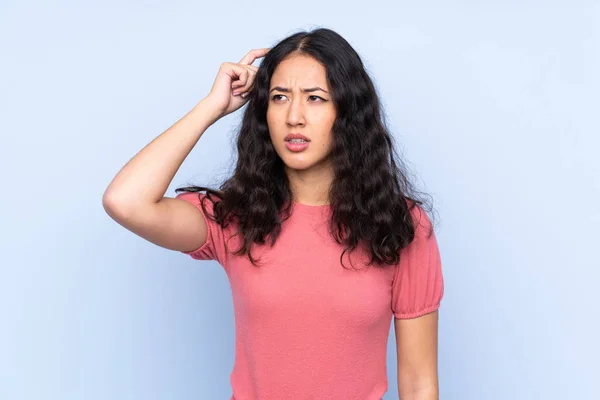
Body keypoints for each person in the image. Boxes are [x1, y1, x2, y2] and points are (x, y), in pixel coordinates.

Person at [103, 28, 444, 400]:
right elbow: (125, 201)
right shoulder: (236, 218)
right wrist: (211, 108)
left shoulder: (399, 226)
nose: (294, 117)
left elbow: (419, 384)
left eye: (315, 98)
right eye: (280, 97)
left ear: (347, 112)